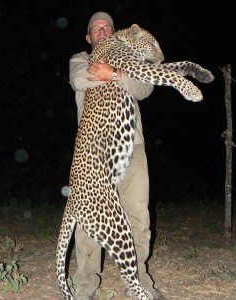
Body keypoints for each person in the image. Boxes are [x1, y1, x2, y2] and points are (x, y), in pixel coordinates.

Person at [69, 11, 166, 300]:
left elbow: (145, 88)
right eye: (96, 28)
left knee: (138, 213)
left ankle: (138, 280)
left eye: (107, 27)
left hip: (131, 145)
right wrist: (118, 76)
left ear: (114, 33)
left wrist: (113, 74)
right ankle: (86, 280)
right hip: (94, 148)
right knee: (90, 217)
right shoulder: (80, 59)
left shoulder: (132, 60)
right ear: (89, 37)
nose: (102, 30)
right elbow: (80, 81)